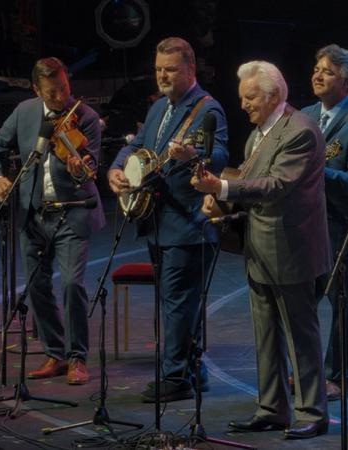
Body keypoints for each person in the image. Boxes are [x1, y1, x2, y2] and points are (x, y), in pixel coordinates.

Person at [191, 60, 332, 440]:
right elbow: (249, 180)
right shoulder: (258, 134)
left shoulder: (300, 131)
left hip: (291, 249)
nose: (243, 105)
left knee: (300, 335)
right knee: (265, 334)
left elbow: (276, 186)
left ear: (273, 95)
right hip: (260, 247)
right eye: (242, 98)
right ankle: (273, 408)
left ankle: (312, 412)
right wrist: (220, 198)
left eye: (250, 97)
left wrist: (222, 188)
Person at [107, 37, 228, 403]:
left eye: (170, 70)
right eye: (159, 69)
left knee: (177, 303)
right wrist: (116, 168)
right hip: (160, 222)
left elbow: (219, 154)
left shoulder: (207, 108)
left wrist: (194, 155)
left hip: (189, 225)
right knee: (177, 303)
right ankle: (193, 369)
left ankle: (175, 378)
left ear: (190, 69)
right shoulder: (160, 107)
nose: (162, 75)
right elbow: (136, 144)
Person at [0, 57, 105, 385]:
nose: (61, 97)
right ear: (37, 90)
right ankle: (55, 353)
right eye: (52, 92)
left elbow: (92, 164)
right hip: (32, 213)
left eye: (64, 88)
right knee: (36, 286)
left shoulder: (86, 117)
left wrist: (79, 169)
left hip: (73, 211)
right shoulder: (24, 113)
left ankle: (77, 358)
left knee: (71, 284)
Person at [301, 44, 348, 401]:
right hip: (305, 229)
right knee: (301, 304)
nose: (318, 75)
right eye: (317, 69)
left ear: (347, 82)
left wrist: (318, 171)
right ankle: (306, 370)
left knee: (343, 309)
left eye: (328, 72)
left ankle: (337, 375)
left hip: (340, 230)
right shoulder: (304, 116)